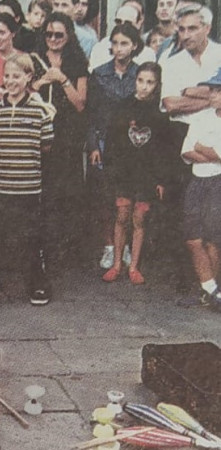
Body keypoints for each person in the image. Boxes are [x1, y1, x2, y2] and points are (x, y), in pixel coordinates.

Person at [0, 53, 54, 306]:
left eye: (17, 76)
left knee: (29, 237)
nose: (11, 81)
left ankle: (36, 283)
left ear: (28, 77)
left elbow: (46, 146)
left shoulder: (39, 110)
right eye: (7, 76)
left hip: (26, 187)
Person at [101, 63, 172, 285]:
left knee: (139, 219)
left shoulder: (160, 115)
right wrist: (111, 169)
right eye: (141, 80)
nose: (144, 87)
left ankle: (134, 267)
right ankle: (116, 264)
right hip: (123, 172)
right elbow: (112, 142)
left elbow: (163, 150)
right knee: (122, 216)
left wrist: (160, 179)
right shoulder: (122, 107)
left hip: (146, 175)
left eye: (150, 82)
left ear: (157, 85)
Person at [30, 12, 88, 265]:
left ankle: (64, 250)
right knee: (40, 192)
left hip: (67, 135)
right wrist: (44, 80)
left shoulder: (77, 61)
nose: (53, 39)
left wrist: (62, 79)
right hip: (38, 133)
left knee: (66, 192)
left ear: (69, 36)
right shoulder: (33, 59)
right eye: (49, 34)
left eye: (59, 34)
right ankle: (39, 248)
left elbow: (80, 104)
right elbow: (24, 90)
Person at [87, 23, 143, 271]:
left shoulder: (141, 74)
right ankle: (109, 246)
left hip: (132, 144)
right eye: (116, 43)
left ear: (134, 46)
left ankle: (127, 246)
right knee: (104, 196)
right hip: (103, 140)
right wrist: (92, 145)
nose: (119, 48)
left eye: (125, 43)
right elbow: (90, 113)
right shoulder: (99, 74)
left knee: (128, 197)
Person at [176, 68, 221, 309]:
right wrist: (209, 152)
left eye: (217, 90)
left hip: (218, 183)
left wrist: (205, 150)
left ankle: (210, 294)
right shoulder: (202, 117)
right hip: (198, 182)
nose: (212, 94)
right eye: (213, 89)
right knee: (193, 238)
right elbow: (187, 150)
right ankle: (211, 289)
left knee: (214, 239)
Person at [88, 5, 156, 72]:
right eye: (118, 21)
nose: (122, 25)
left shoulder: (147, 53)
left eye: (127, 22)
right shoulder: (100, 48)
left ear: (138, 24)